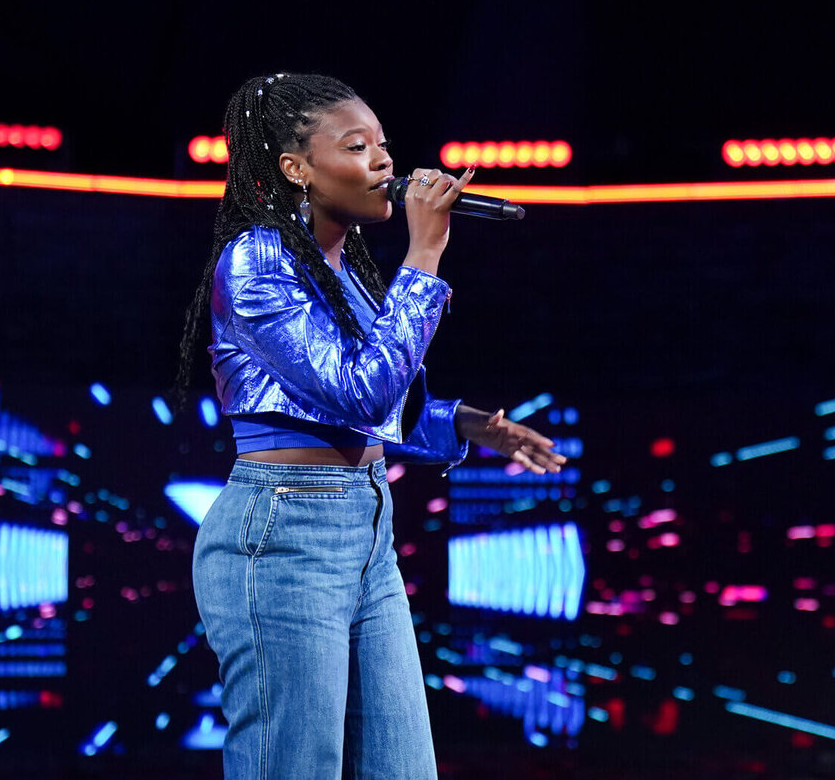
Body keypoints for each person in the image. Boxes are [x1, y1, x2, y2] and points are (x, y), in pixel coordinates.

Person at [177, 73, 566, 779]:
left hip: (366, 529)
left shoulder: (345, 274)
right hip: (283, 532)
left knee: (402, 767)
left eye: (384, 145)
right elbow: (359, 394)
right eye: (358, 147)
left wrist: (468, 424)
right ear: (296, 168)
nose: (385, 161)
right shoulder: (257, 258)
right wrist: (425, 255)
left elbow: (369, 409)